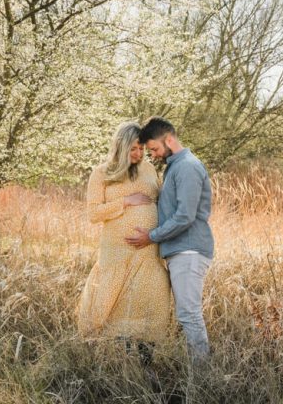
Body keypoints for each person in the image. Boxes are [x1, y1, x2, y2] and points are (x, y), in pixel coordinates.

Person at [77, 122, 174, 356]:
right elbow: (93, 213)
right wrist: (125, 202)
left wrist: (157, 234)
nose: (138, 154)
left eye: (141, 149)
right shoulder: (102, 173)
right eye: (133, 149)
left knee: (150, 297)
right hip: (117, 252)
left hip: (147, 250)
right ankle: (115, 356)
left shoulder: (149, 169)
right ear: (120, 147)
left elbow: (161, 202)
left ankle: (144, 355)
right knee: (116, 301)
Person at [125, 116, 214, 364]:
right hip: (181, 252)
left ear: (170, 139)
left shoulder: (186, 166)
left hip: (189, 252)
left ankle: (202, 377)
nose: (152, 155)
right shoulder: (175, 166)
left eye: (154, 148)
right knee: (187, 315)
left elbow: (185, 216)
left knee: (189, 315)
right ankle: (200, 370)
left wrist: (151, 237)